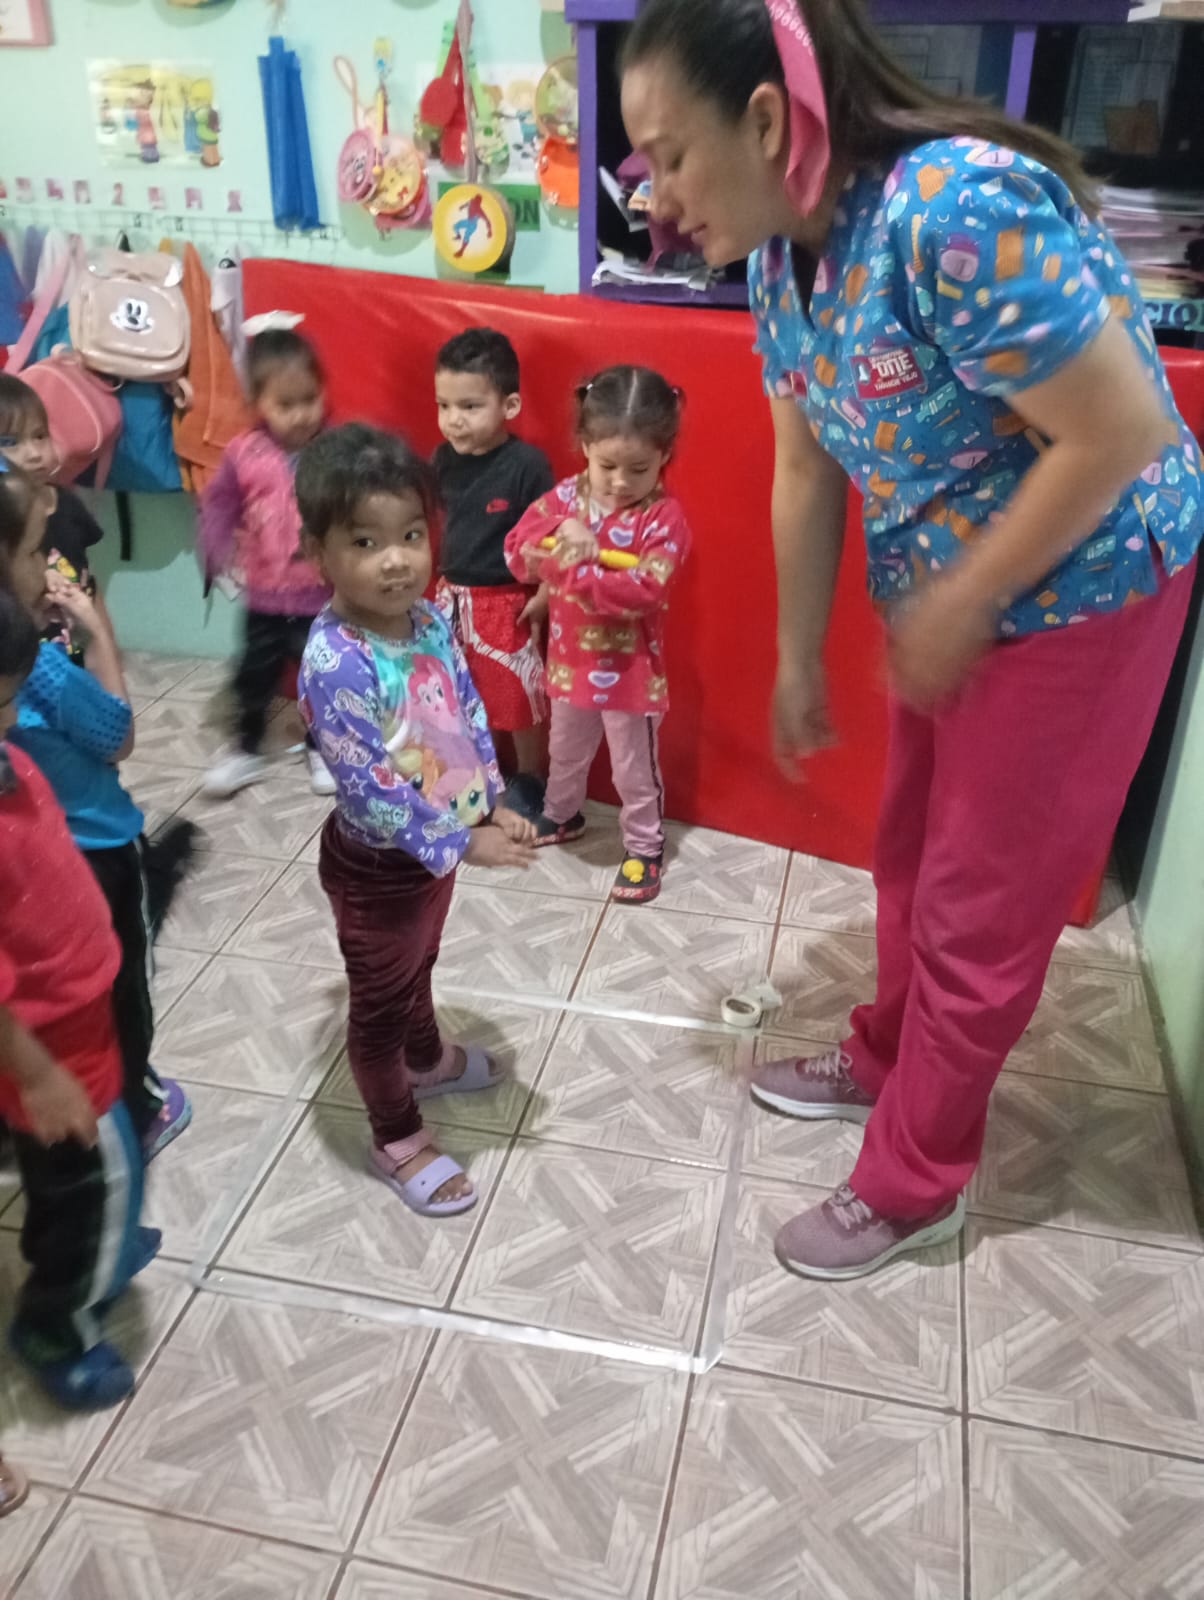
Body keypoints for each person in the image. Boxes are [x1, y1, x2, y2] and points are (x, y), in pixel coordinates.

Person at [620, 0, 1203, 1277]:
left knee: (978, 905)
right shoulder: (777, 257)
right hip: (958, 587)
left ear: (763, 120)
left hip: (1089, 579)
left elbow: (1118, 431)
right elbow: (803, 471)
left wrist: (969, 596)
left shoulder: (954, 213)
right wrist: (796, 657)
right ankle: (887, 1054)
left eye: (667, 156)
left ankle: (914, 1177)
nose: (652, 199)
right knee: (911, 851)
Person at [296, 424, 537, 1217]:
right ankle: (396, 1135)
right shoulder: (336, 660)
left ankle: (427, 1058)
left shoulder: (428, 619)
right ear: (319, 552)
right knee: (377, 1005)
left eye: (409, 535)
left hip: (432, 854)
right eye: (365, 542)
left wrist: (490, 798)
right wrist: (461, 840)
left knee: (420, 964)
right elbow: (370, 790)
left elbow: (462, 711)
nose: (396, 560)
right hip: (377, 869)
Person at [0, 468, 192, 1163]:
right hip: (98, 848)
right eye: (34, 551)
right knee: (121, 986)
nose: (49, 565)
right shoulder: (39, 669)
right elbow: (118, 734)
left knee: (35, 994)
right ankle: (137, 1108)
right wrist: (96, 632)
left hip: (29, 872)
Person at [0, 586, 158, 1410]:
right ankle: (54, 1324)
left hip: (76, 1020)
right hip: (51, 1047)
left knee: (68, 1180)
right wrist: (36, 1074)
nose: (11, 721)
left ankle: (79, 1245)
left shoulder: (12, 762)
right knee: (102, 1180)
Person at [505, 366, 691, 904]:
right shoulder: (566, 499)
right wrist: (562, 529)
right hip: (570, 667)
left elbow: (645, 590)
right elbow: (517, 549)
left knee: (635, 770)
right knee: (565, 751)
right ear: (585, 446)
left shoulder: (664, 519)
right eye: (607, 465)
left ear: (664, 456)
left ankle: (645, 847)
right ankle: (562, 814)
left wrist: (570, 574)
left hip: (632, 677)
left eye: (639, 468)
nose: (620, 481)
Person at [198, 322, 334, 799]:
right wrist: (215, 547)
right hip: (264, 595)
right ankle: (245, 748)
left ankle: (324, 748)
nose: (301, 415)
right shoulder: (244, 453)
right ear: (258, 403)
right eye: (285, 404)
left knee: (324, 677)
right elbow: (219, 504)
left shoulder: (332, 450)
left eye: (309, 399)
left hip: (322, 595)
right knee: (253, 675)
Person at [433, 327, 555, 817]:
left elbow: (549, 534)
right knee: (454, 691)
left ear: (509, 405)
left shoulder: (527, 465)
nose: (453, 420)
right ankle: (472, 772)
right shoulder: (441, 459)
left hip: (507, 600)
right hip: (451, 598)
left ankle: (531, 777)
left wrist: (545, 591)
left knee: (519, 698)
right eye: (444, 405)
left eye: (469, 406)